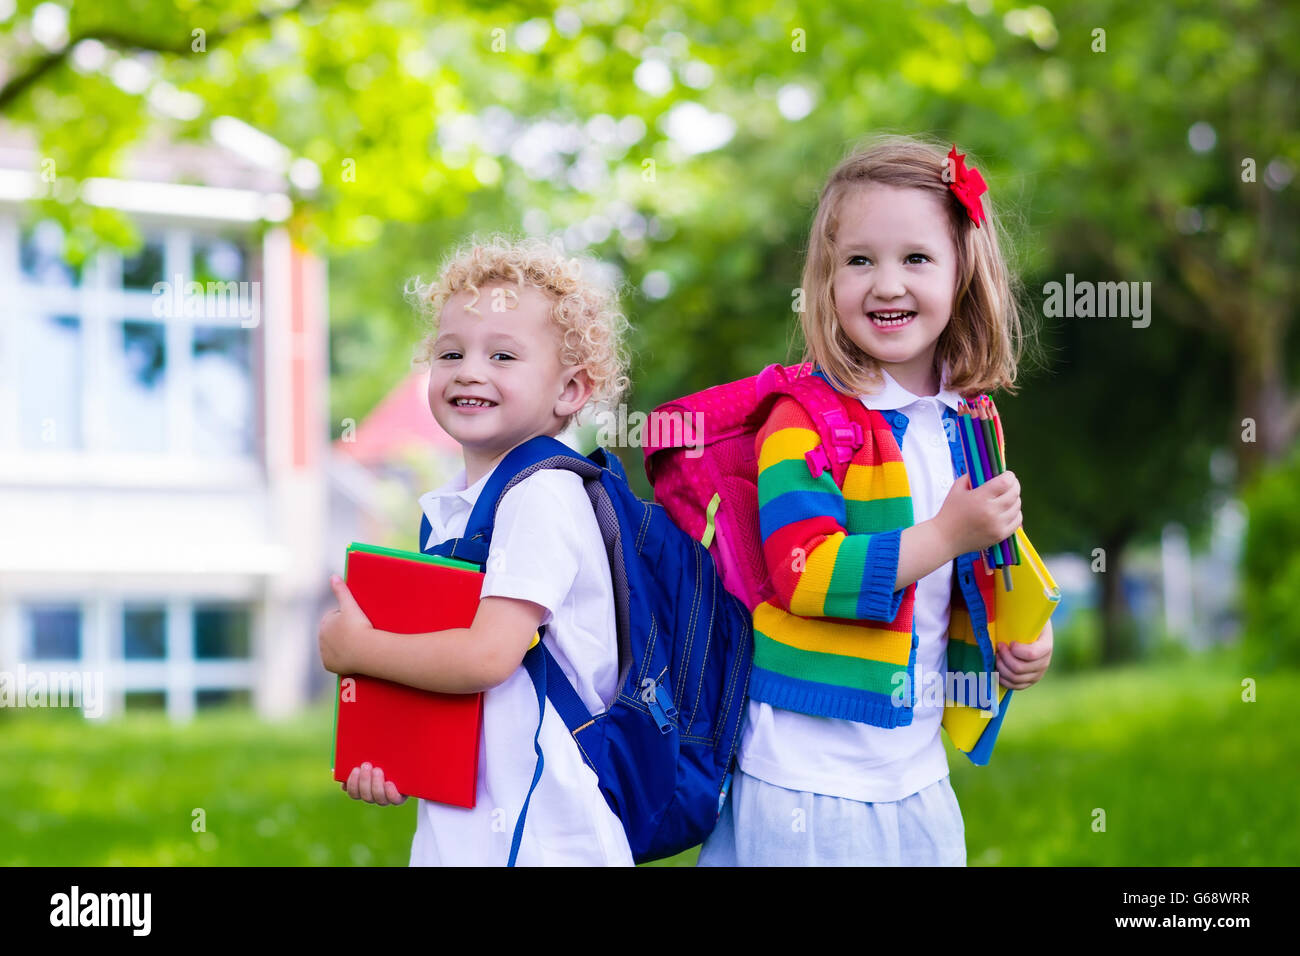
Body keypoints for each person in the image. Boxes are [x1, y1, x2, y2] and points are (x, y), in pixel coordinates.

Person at [698, 135, 1054, 867]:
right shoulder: (806, 420)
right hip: (808, 774)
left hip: (914, 765)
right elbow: (804, 571)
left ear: (963, 272)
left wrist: (1016, 638)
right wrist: (947, 534)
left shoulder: (971, 417)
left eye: (915, 259)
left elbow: (982, 554)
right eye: (859, 261)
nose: (886, 284)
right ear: (826, 282)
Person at [318, 235, 634, 865]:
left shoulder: (542, 493)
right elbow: (450, 675)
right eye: (451, 352)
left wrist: (359, 651)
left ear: (570, 390)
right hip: (472, 816)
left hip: (545, 829)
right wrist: (393, 754)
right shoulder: (460, 508)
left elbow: (489, 656)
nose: (469, 371)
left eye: (503, 356)